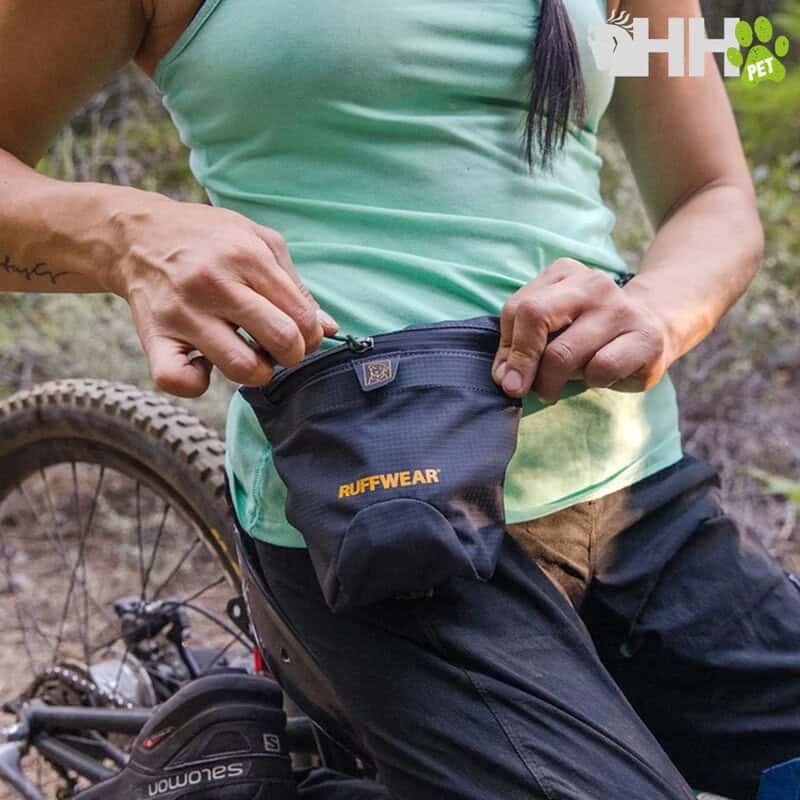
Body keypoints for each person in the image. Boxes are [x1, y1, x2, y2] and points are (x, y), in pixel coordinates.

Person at [1, 1, 798, 798]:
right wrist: (128, 233)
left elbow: (710, 191)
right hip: (375, 519)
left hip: (638, 495)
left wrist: (659, 309)